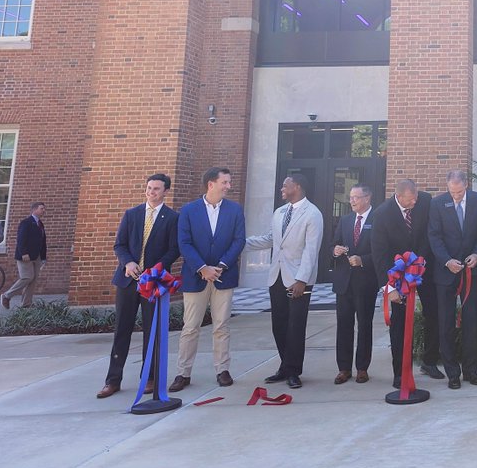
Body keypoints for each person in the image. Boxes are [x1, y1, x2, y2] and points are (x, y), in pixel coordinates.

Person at [97, 174, 180, 399]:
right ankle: (113, 380)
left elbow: (174, 249)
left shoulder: (172, 218)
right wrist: (128, 262)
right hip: (128, 280)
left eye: (156, 189)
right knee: (121, 330)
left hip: (153, 282)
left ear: (165, 192)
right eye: (149, 188)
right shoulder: (131, 214)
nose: (151, 192)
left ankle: (149, 377)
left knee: (151, 332)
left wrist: (155, 270)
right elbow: (120, 244)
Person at [245, 173, 324, 389]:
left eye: (285, 185)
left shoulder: (313, 214)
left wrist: (302, 280)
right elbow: (270, 239)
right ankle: (285, 366)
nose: (281, 188)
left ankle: (294, 371)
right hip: (277, 276)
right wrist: (239, 243)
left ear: (297, 187)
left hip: (298, 279)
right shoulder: (280, 212)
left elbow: (311, 250)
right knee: (278, 325)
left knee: (296, 326)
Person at [171, 167, 246, 393]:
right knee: (190, 327)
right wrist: (202, 268)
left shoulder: (234, 210)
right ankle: (183, 373)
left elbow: (238, 240)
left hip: (224, 276)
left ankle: (222, 370)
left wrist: (221, 266)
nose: (229, 186)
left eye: (229, 182)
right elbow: (184, 242)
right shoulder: (189, 210)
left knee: (221, 326)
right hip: (196, 277)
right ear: (211, 184)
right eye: (225, 182)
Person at [372, 179, 443, 388]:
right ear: (399, 196)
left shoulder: (425, 202)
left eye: (416, 198)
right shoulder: (382, 214)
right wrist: (389, 287)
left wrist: (419, 261)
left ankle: (429, 362)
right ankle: (400, 371)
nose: (415, 202)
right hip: (398, 275)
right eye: (411, 200)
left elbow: (429, 234)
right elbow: (379, 253)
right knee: (400, 322)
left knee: (434, 313)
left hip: (423, 269)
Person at [426, 169, 477, 389]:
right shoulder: (437, 203)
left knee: (471, 321)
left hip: (471, 270)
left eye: (460, 192)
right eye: (452, 192)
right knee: (446, 323)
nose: (456, 196)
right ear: (447, 187)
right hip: (446, 272)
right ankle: (452, 372)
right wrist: (446, 261)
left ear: (466, 185)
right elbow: (434, 236)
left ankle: (471, 371)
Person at [330, 184, 379, 385]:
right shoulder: (345, 219)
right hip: (344, 282)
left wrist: (363, 260)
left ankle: (362, 368)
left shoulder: (378, 219)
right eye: (350, 197)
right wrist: (335, 250)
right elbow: (332, 244)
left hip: (365, 282)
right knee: (343, 325)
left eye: (356, 197)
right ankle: (343, 368)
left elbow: (382, 250)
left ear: (367, 198)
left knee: (364, 325)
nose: (351, 201)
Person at [1, 201, 47, 309]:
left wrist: (43, 257)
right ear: (34, 209)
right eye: (42, 208)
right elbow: (21, 239)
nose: (44, 211)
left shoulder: (40, 224)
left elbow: (43, 241)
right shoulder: (26, 222)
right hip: (25, 256)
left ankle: (26, 304)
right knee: (27, 277)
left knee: (33, 279)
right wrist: (24, 253)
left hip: (37, 256)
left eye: (44, 209)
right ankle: (7, 295)